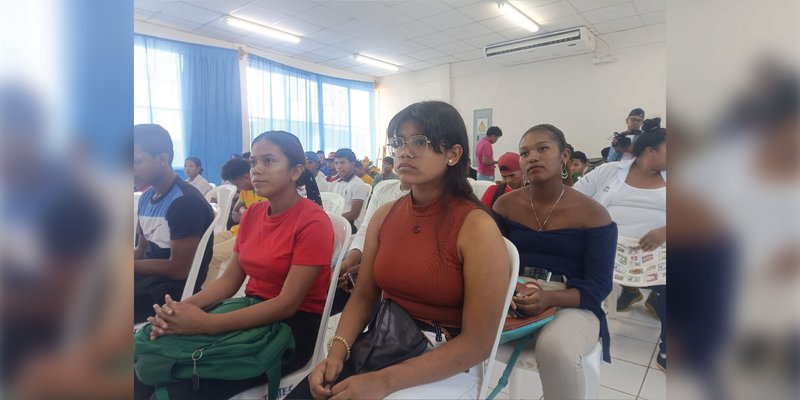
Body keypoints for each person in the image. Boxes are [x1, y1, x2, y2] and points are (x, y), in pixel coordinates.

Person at [287, 100, 509, 400]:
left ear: (454, 154)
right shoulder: (386, 215)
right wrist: (337, 353)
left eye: (420, 141)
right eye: (399, 142)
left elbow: (478, 343)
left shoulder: (476, 227)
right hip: (384, 340)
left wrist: (384, 382)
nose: (405, 151)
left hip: (444, 357)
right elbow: (365, 294)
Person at [134, 131, 332, 400]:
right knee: (146, 361)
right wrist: (181, 310)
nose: (257, 170)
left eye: (269, 161)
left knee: (178, 388)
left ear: (295, 171)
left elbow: (287, 303)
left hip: (290, 328)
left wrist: (207, 324)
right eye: (253, 162)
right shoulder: (253, 214)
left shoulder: (313, 222)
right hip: (248, 310)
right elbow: (228, 282)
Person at [493, 123, 617, 399]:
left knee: (556, 349)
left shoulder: (594, 214)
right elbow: (490, 262)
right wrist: (511, 290)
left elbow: (597, 287)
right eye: (524, 153)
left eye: (542, 148)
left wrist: (548, 299)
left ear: (565, 156)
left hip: (570, 300)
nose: (532, 157)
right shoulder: (504, 206)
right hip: (511, 294)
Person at [574, 121, 667, 369]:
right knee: (584, 282)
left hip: (657, 252)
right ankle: (583, 335)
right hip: (609, 247)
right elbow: (574, 196)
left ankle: (668, 349)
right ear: (650, 151)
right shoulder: (609, 171)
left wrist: (665, 231)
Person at [134, 124, 215, 323]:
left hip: (169, 292)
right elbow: (141, 248)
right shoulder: (146, 197)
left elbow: (179, 269)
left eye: (136, 161)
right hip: (147, 279)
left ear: (162, 159)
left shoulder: (184, 202)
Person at [331, 178, 411, 315]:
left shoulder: (446, 199)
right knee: (332, 279)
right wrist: (349, 262)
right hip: (374, 261)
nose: (404, 155)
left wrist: (370, 268)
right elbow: (366, 231)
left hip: (397, 276)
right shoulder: (384, 189)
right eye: (397, 153)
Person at [204, 158, 267, 288]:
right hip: (237, 230)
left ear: (245, 177)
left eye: (236, 184)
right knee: (204, 246)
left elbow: (258, 218)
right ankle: (198, 286)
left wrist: (244, 212)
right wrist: (245, 211)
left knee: (213, 255)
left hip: (252, 235)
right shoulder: (246, 190)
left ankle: (206, 295)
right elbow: (235, 212)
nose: (237, 188)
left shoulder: (264, 191)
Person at [330, 148, 370, 233]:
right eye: (336, 163)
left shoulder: (358, 184)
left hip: (350, 224)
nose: (339, 167)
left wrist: (332, 219)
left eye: (342, 163)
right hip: (337, 220)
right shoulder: (335, 184)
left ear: (352, 164)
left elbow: (354, 213)